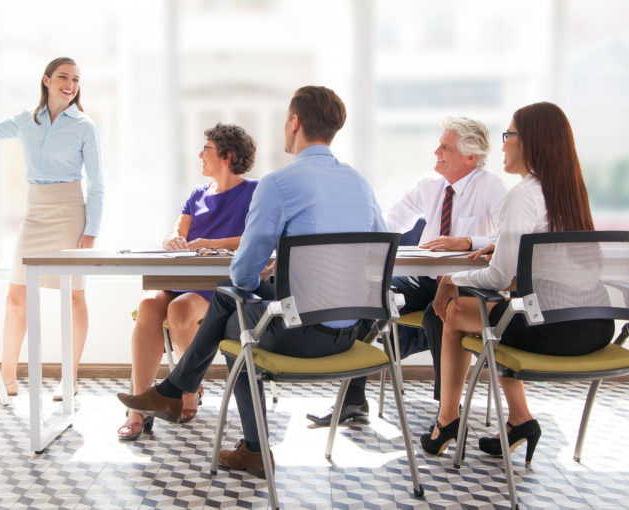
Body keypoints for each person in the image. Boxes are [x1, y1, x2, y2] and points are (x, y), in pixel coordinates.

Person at [118, 85, 385, 476]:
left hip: (298, 335)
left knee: (233, 308)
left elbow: (243, 274)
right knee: (232, 304)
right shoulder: (360, 184)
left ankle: (199, 407)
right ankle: (180, 395)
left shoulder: (278, 184)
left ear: (294, 123)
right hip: (351, 334)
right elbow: (375, 259)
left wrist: (265, 271)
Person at [420, 102, 614, 463]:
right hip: (597, 326)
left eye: (509, 135)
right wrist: (509, 250)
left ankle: (446, 421)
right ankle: (520, 420)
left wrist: (450, 278)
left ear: (531, 141)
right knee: (496, 319)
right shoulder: (570, 190)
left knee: (454, 311)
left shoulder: (523, 194)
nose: (504, 144)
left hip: (552, 330)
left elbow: (496, 277)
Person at [308, 117, 507, 427]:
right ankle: (353, 401)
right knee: (369, 297)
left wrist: (468, 241)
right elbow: (391, 224)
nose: (436, 151)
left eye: (445, 147)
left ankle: (448, 415)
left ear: (470, 157)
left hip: (467, 284)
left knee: (440, 314)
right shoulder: (429, 183)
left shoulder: (491, 187)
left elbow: (509, 239)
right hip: (426, 280)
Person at [0, 57, 104, 401]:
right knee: (16, 297)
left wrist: (91, 231)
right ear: (46, 80)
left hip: (70, 213)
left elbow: (97, 184)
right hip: (35, 213)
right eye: (63, 76)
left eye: (75, 79)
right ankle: (7, 379)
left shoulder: (85, 126)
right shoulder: (25, 120)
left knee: (74, 297)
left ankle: (70, 379)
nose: (70, 84)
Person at [119, 123, 258, 441]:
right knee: (149, 305)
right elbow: (176, 231)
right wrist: (174, 241)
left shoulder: (254, 191)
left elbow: (257, 237)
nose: (200, 154)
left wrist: (215, 242)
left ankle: (187, 385)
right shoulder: (197, 194)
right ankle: (138, 408)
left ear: (227, 155)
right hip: (180, 276)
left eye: (206, 149)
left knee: (180, 309)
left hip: (218, 285)